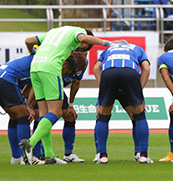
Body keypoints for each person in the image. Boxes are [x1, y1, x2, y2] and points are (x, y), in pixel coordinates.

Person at [20, 26, 116, 165]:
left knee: (44, 112)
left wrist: (33, 53)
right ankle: (31, 143)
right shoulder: (77, 32)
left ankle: (49, 155)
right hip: (51, 68)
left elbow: (28, 41)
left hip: (35, 67)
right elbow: (83, 37)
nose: (80, 50)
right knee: (56, 111)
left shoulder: (53, 32)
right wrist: (109, 44)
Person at [93, 41, 152, 164]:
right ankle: (143, 155)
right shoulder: (137, 48)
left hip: (108, 74)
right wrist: (138, 91)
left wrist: (103, 88)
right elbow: (146, 68)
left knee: (103, 115)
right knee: (138, 115)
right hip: (129, 73)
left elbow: (96, 68)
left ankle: (102, 155)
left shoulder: (108, 50)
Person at [0, 53, 35, 165]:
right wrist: (29, 106)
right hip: (7, 79)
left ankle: (16, 158)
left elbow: (30, 83)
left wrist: (25, 103)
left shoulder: (35, 58)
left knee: (14, 117)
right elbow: (36, 85)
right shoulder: (44, 62)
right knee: (23, 116)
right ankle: (27, 158)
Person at [59, 52, 88, 163]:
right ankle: (39, 153)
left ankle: (68, 154)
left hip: (58, 88)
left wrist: (70, 105)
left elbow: (76, 83)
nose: (85, 55)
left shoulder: (83, 63)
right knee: (44, 116)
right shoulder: (62, 60)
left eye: (86, 53)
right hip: (47, 85)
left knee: (70, 116)